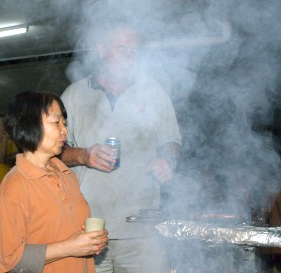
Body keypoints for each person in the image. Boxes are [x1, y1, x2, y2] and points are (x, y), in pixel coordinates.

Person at [60, 21, 181, 273]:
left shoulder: (153, 91)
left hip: (142, 229)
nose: (131, 57)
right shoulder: (73, 95)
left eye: (136, 51)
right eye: (124, 49)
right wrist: (83, 155)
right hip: (87, 228)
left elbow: (171, 140)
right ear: (101, 49)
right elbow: (54, 153)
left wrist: (168, 161)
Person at [0, 91, 108, 273]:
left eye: (64, 123)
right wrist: (68, 247)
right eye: (56, 122)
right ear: (30, 125)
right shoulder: (15, 186)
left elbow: (65, 231)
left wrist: (89, 241)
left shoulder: (67, 174)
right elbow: (7, 259)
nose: (64, 130)